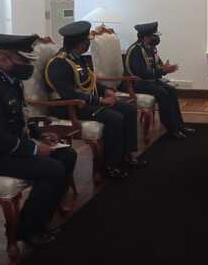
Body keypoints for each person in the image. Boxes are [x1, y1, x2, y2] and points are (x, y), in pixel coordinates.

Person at [0, 33, 77, 245]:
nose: (28, 66)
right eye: (23, 60)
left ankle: (40, 216)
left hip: (13, 148)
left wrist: (40, 135)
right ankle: (27, 230)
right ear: (3, 58)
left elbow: (19, 116)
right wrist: (34, 149)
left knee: (67, 154)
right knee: (52, 169)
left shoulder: (11, 80)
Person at [45, 21, 146, 179]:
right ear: (79, 44)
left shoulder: (77, 59)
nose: (88, 44)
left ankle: (127, 154)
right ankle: (110, 165)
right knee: (114, 118)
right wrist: (100, 100)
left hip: (85, 103)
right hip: (68, 107)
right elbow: (69, 94)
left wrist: (105, 90)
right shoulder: (59, 64)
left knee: (129, 110)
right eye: (86, 41)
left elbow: (90, 80)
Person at [124, 21, 194, 138]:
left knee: (172, 91)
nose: (156, 38)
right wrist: (163, 70)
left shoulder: (151, 48)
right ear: (145, 37)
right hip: (137, 84)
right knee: (162, 93)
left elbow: (158, 65)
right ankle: (171, 129)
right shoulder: (136, 50)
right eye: (153, 35)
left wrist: (165, 68)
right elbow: (141, 73)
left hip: (150, 82)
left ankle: (179, 126)